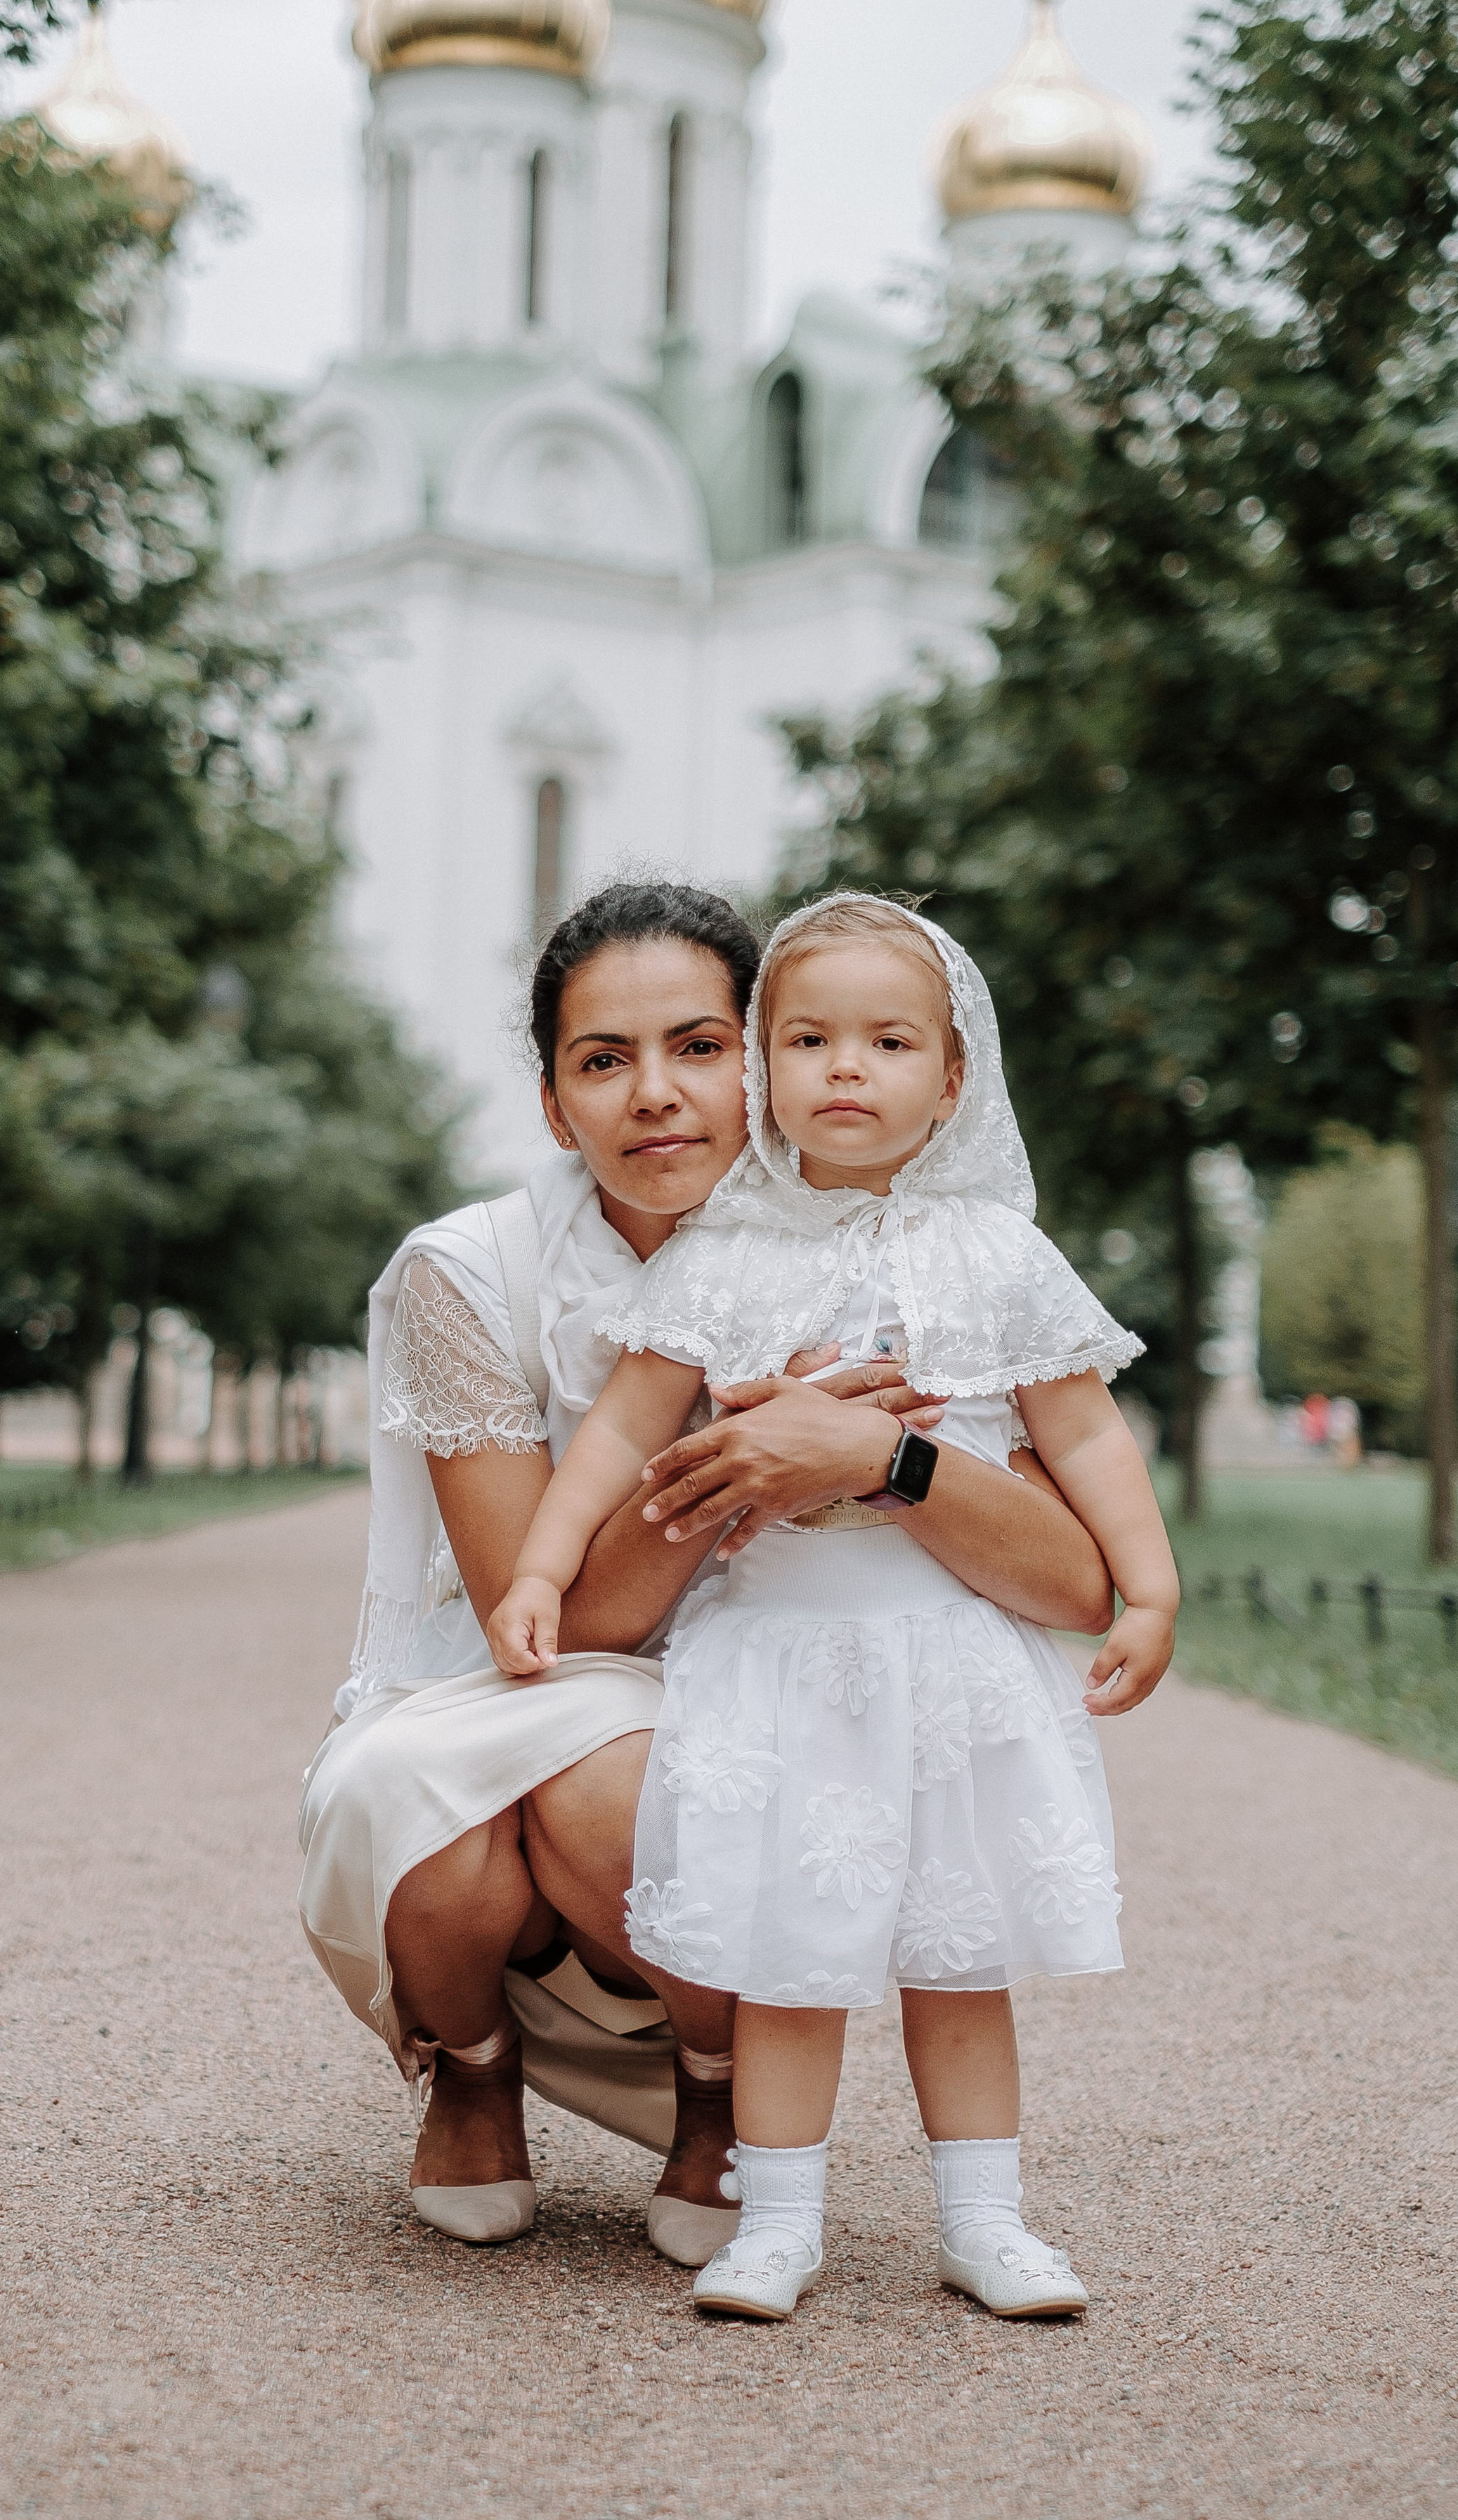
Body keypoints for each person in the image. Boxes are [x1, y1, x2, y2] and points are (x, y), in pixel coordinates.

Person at [298, 883, 1117, 2261]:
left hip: (773, 1685)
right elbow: (555, 1633)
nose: (655, 1096)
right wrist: (744, 1451)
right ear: (554, 1103)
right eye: (600, 1062)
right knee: (444, 1810)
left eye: (696, 1046)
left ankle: (715, 2095)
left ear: (760, 1053)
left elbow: (1077, 1584)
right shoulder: (466, 1274)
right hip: (537, 1677)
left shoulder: (910, 1252)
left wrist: (872, 1455)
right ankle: (474, 2062)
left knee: (626, 1785)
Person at [486, 894, 1178, 2321]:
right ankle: (774, 2222)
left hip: (947, 1661)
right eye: (806, 1038)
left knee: (957, 1955)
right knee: (786, 1963)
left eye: (886, 1041)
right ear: (762, 1065)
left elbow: (1091, 1436)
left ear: (950, 1079)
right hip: (782, 1659)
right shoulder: (720, 1257)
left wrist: (1150, 1586)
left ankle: (983, 2221)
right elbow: (615, 1441)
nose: (844, 1070)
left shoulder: (995, 1256)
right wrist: (543, 1570)